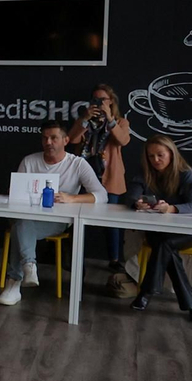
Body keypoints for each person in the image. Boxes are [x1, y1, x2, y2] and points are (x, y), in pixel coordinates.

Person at [0, 121, 108, 307]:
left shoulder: (77, 164)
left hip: (56, 220)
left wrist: (72, 198)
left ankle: (14, 282)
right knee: (22, 222)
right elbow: (16, 196)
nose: (49, 142)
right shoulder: (30, 160)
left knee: (19, 227)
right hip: (25, 215)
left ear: (65, 140)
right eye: (45, 138)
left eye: (54, 138)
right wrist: (15, 191)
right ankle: (28, 266)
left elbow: (102, 195)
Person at [126, 136, 192, 321]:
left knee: (165, 245)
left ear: (171, 154)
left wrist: (171, 208)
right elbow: (131, 196)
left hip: (185, 231)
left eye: (160, 155)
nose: (155, 160)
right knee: (165, 244)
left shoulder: (185, 173)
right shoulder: (145, 171)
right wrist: (137, 203)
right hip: (157, 231)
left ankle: (146, 292)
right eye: (151, 156)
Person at [70, 84, 132, 265]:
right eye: (95, 100)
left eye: (102, 100)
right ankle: (77, 257)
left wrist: (110, 118)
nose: (98, 103)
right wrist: (84, 119)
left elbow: (123, 140)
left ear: (111, 101)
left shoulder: (120, 122)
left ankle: (115, 259)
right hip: (85, 176)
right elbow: (72, 139)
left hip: (109, 176)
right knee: (79, 219)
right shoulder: (85, 120)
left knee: (111, 221)